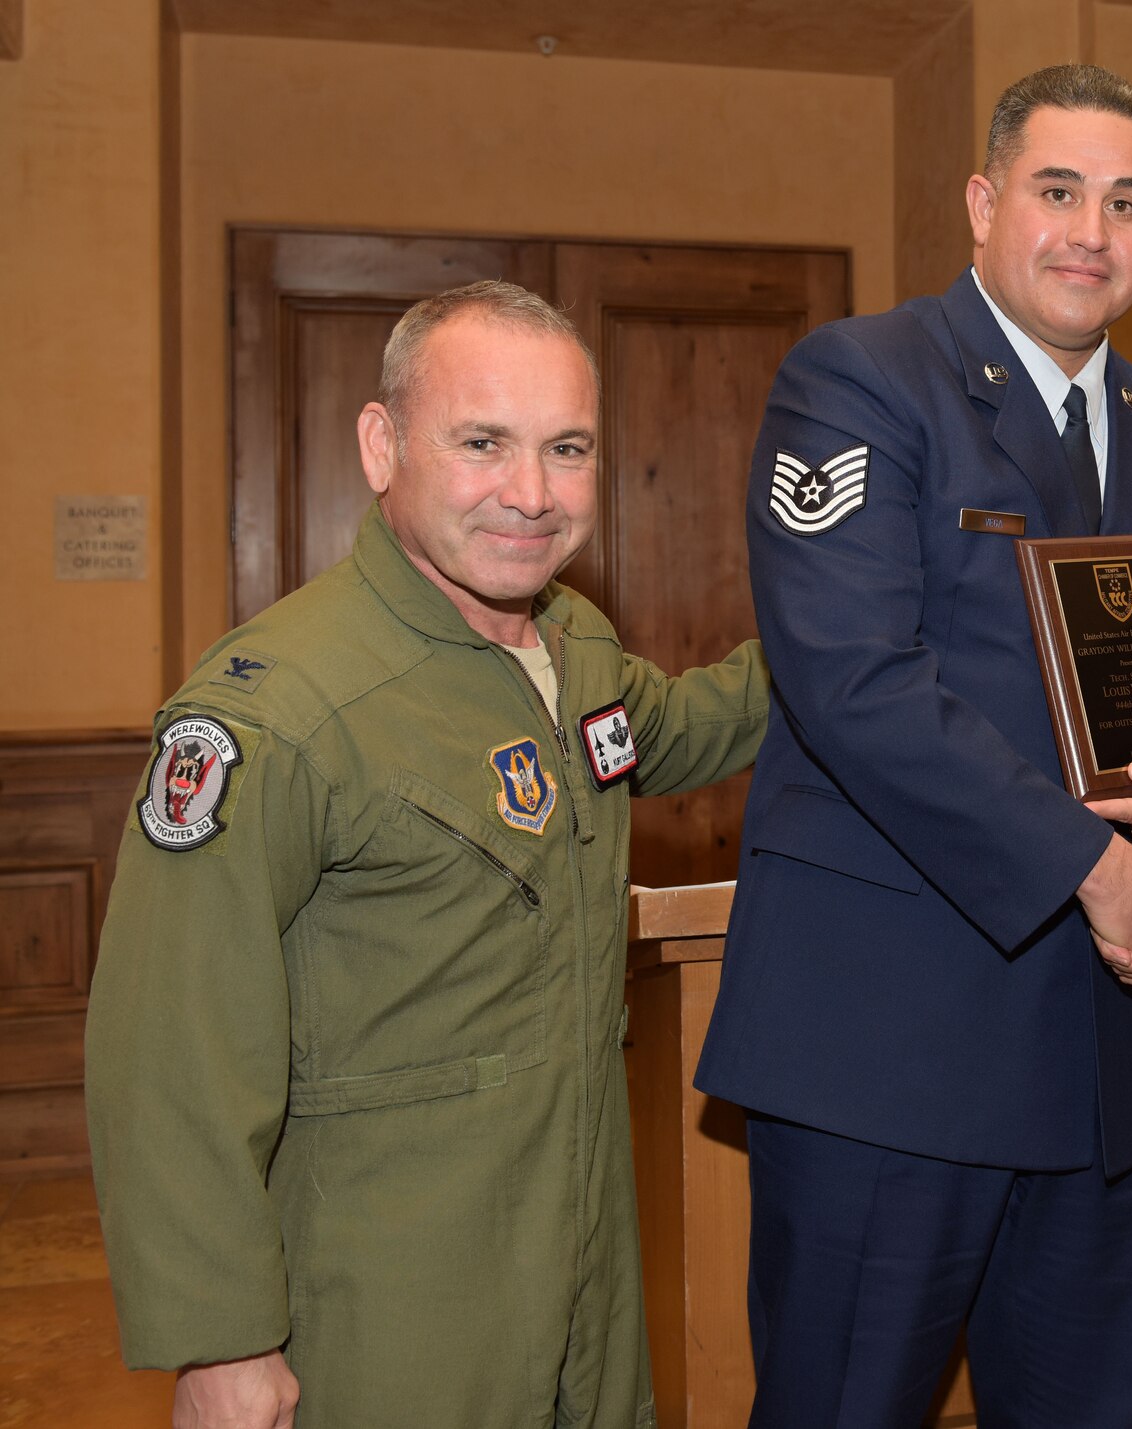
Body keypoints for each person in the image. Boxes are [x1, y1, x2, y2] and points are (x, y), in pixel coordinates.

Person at [693, 64, 1132, 1426]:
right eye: (1057, 190)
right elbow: (857, 686)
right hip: (889, 1061)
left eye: (1126, 202)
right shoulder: (860, 382)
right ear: (982, 201)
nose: (1092, 230)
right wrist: (1097, 869)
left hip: (1105, 1066)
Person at [85, 281, 770, 1429]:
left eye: (567, 448)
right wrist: (220, 1341)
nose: (532, 494)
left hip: (585, 1265)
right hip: (388, 1301)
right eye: (482, 443)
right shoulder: (277, 713)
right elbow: (171, 1051)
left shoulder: (574, 644)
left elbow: (682, 726)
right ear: (381, 444)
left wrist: (855, 642)